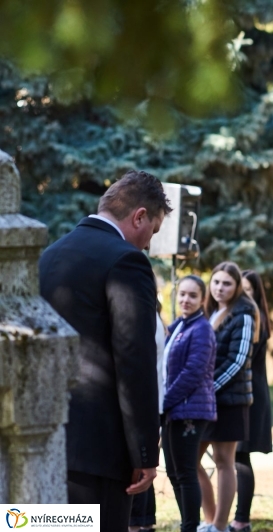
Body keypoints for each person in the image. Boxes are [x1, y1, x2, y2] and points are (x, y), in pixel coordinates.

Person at [38, 170, 171, 531]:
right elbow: (135, 361)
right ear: (139, 216)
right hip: (98, 453)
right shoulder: (127, 261)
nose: (147, 245)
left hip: (39, 442)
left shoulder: (48, 256)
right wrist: (144, 453)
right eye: (153, 232)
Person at [198, 261, 258, 532]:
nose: (220, 288)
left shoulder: (244, 314)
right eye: (216, 282)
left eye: (227, 283)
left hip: (230, 401)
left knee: (224, 462)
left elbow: (237, 361)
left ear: (237, 288)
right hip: (207, 401)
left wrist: (207, 389)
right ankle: (209, 520)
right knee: (189, 461)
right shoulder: (211, 311)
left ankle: (220, 526)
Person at [163, 275, 217, 532]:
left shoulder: (202, 328)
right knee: (174, 473)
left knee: (185, 473)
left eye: (192, 295)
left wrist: (165, 401)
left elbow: (193, 372)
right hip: (175, 409)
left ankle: (190, 527)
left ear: (203, 299)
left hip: (190, 411)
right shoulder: (179, 326)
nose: (185, 299)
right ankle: (189, 524)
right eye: (182, 294)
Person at [230, 270, 273, 532]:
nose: (243, 294)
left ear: (256, 293)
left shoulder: (255, 319)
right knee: (235, 457)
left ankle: (241, 519)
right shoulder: (240, 316)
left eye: (248, 289)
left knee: (240, 456)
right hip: (246, 393)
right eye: (240, 288)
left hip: (251, 397)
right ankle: (236, 517)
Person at [129, 297, 168, 532]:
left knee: (139, 468)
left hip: (146, 405)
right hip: (151, 404)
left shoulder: (146, 319)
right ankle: (144, 522)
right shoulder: (153, 317)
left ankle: (137, 524)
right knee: (143, 468)